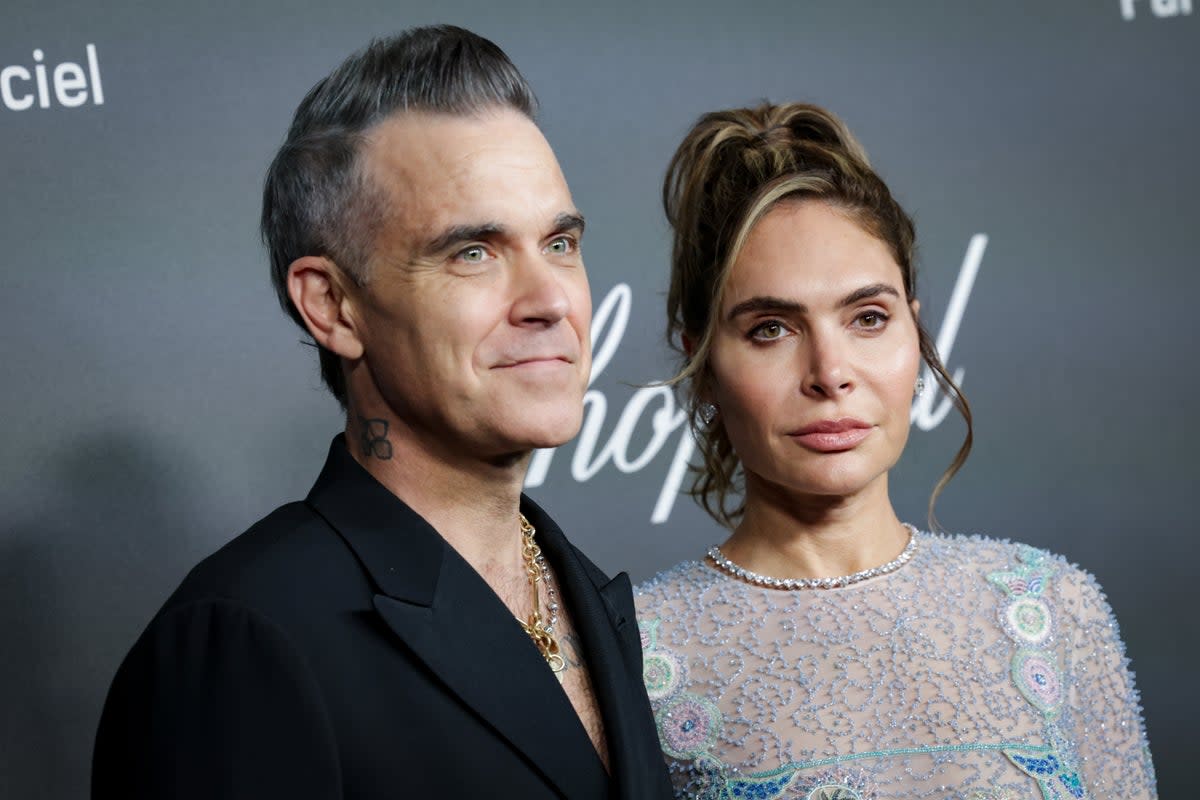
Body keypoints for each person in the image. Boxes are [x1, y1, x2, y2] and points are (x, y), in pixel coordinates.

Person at [93, 26, 672, 799]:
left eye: (560, 243)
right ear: (332, 305)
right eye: (474, 252)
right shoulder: (247, 637)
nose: (550, 301)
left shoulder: (594, 597)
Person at [634, 102, 1156, 799]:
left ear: (915, 332)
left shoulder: (1055, 608)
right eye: (770, 329)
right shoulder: (637, 654)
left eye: (868, 318)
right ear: (702, 365)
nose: (830, 371)